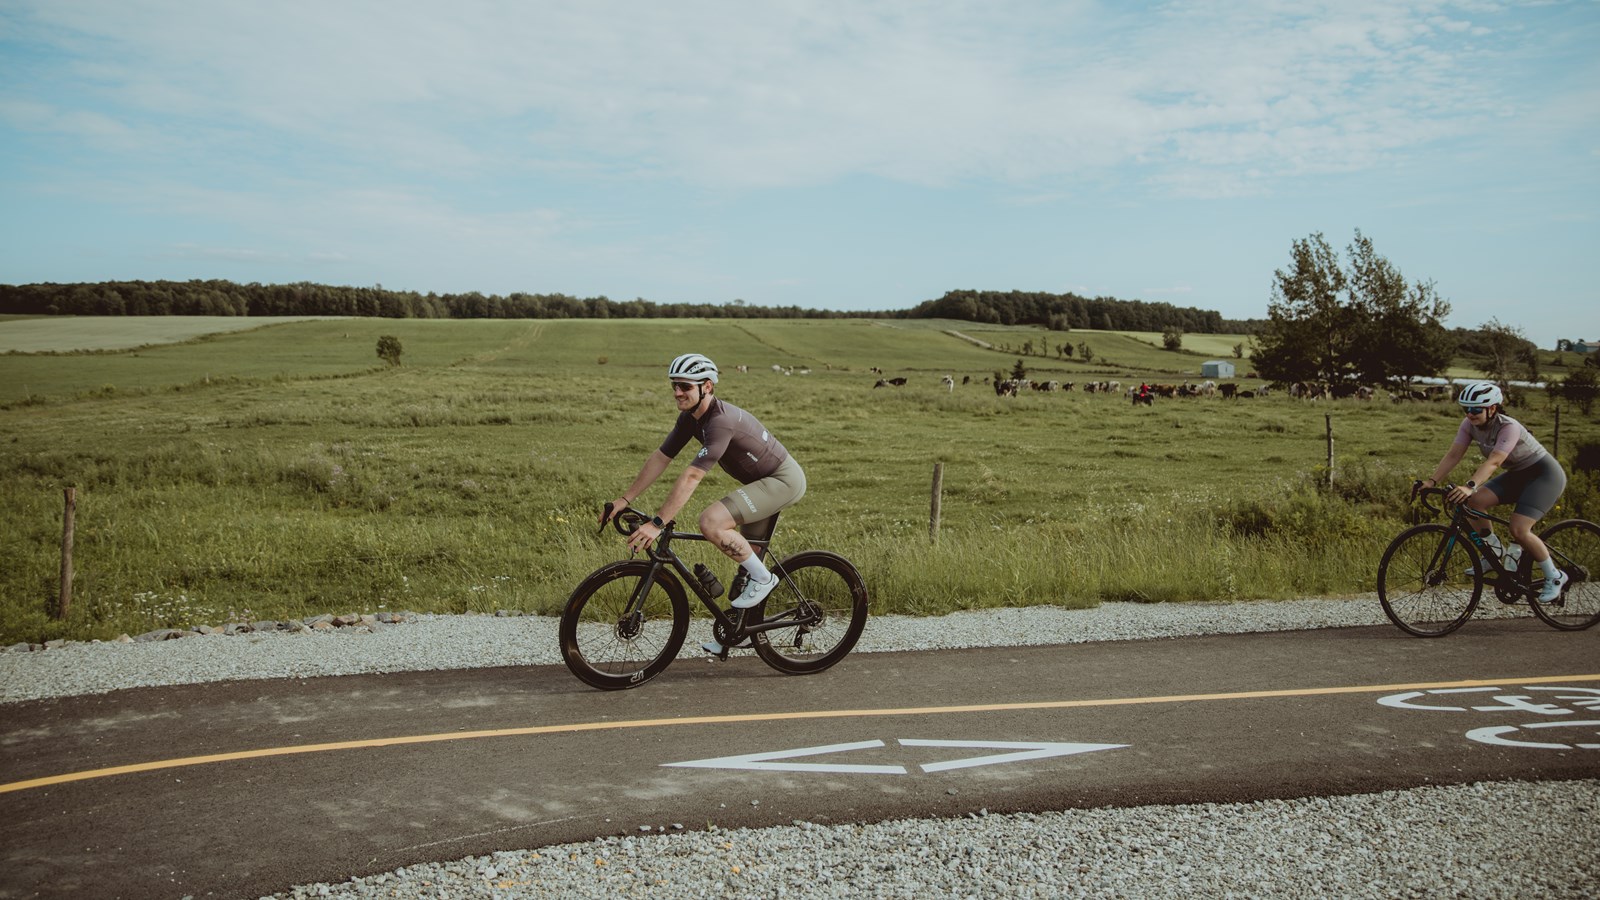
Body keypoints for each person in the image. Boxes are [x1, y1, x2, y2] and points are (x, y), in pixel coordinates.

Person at [601, 353, 807, 655]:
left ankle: (766, 579)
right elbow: (661, 458)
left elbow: (692, 475)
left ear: (706, 387)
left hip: (783, 480)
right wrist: (624, 499)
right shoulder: (689, 419)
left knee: (711, 521)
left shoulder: (721, 421)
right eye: (674, 386)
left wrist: (658, 523)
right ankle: (743, 632)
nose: (677, 393)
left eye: (685, 386)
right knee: (744, 569)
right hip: (761, 483)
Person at [1419, 381, 1569, 603]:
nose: (1470, 414)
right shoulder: (1468, 424)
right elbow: (1454, 454)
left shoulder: (1509, 426)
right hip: (1518, 475)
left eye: (1476, 409)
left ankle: (1555, 577)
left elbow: (1495, 461)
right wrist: (1431, 481)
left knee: (1519, 529)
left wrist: (1469, 486)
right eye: (1466, 409)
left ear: (1493, 408)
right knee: (1475, 503)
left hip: (1543, 475)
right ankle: (1493, 550)